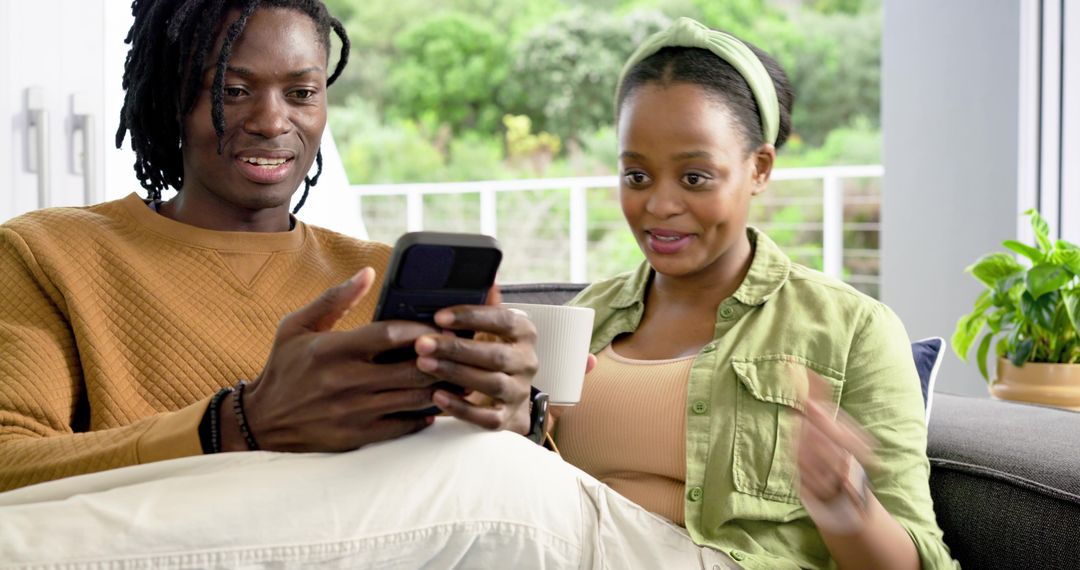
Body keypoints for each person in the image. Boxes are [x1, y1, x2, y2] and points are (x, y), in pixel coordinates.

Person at [0, 0, 539, 493]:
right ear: (171, 97)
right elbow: (10, 462)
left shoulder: (374, 274)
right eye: (232, 91)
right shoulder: (45, 254)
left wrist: (517, 425)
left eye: (302, 93)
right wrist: (235, 425)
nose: (272, 122)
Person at [551, 17, 959, 570]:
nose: (659, 206)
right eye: (637, 177)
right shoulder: (584, 319)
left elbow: (920, 562)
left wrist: (844, 503)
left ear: (759, 168)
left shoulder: (851, 328)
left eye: (694, 177)